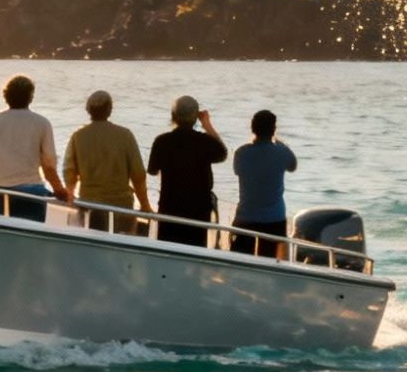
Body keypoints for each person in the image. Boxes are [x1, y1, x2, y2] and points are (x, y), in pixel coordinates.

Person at [0, 75, 70, 223]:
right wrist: (59, 189)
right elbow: (48, 164)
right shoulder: (41, 123)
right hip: (30, 190)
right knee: (29, 239)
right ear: (30, 97)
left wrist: (4, 167)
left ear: (6, 96)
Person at [62, 90, 149, 234]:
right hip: (121, 207)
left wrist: (71, 194)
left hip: (89, 205)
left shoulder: (78, 136)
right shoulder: (125, 135)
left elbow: (69, 171)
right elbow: (138, 174)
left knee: (90, 246)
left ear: (88, 110)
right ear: (110, 110)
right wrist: (145, 204)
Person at [146, 95, 226, 247]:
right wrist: (207, 124)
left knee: (167, 252)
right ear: (196, 118)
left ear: (173, 116)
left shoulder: (161, 141)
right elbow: (222, 153)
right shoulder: (204, 142)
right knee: (194, 254)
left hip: (170, 209)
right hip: (198, 211)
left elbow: (152, 171)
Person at [231, 109, 297, 258]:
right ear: (273, 129)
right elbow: (293, 166)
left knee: (239, 262)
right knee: (269, 263)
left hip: (246, 216)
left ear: (252, 128)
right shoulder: (282, 152)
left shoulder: (241, 153)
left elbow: (237, 171)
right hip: (274, 218)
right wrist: (279, 141)